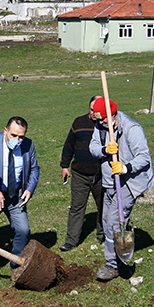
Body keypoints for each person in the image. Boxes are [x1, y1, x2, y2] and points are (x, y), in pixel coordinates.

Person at [89, 97, 154, 281]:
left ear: (114, 114)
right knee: (106, 219)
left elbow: (144, 157)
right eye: (99, 120)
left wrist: (125, 167)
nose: (101, 123)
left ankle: (115, 264)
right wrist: (105, 150)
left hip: (130, 181)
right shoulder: (100, 126)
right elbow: (92, 148)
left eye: (104, 120)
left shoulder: (132, 129)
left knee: (114, 221)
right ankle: (116, 254)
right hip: (110, 181)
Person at [0, 117, 40, 289]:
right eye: (14, 135)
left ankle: (16, 263)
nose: (17, 140)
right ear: (5, 131)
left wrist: (29, 189)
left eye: (21, 136)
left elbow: (34, 169)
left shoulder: (28, 144)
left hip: (16, 196)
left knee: (23, 230)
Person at [59, 96, 104, 251]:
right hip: (79, 173)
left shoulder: (105, 125)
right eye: (91, 109)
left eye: (97, 110)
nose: (93, 113)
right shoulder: (78, 123)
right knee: (77, 207)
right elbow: (69, 145)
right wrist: (65, 166)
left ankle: (102, 234)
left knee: (103, 205)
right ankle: (71, 240)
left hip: (100, 174)